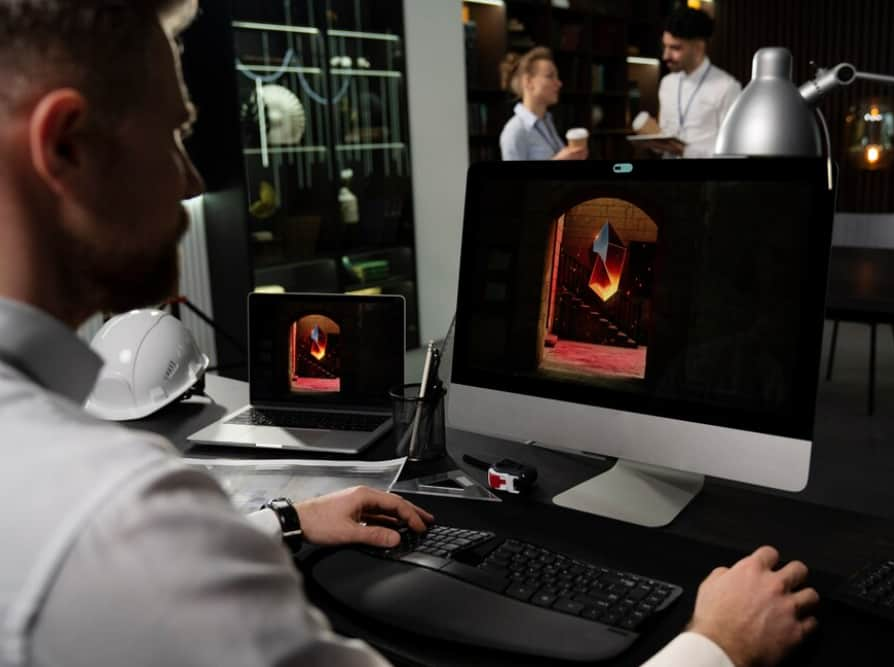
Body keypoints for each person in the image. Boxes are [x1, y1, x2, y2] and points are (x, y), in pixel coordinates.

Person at [0, 1, 816, 665]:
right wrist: (716, 647)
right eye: (176, 134)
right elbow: (130, 556)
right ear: (64, 146)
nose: (188, 178)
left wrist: (285, 521)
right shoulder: (125, 518)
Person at [657, 7, 742, 157]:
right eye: (665, 46)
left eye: (675, 48)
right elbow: (663, 138)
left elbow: (733, 151)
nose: (665, 56)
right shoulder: (666, 84)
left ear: (698, 47)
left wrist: (686, 151)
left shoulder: (727, 87)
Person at [498, 47, 587, 161]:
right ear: (528, 81)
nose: (559, 83)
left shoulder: (547, 122)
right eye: (550, 76)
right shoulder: (515, 131)